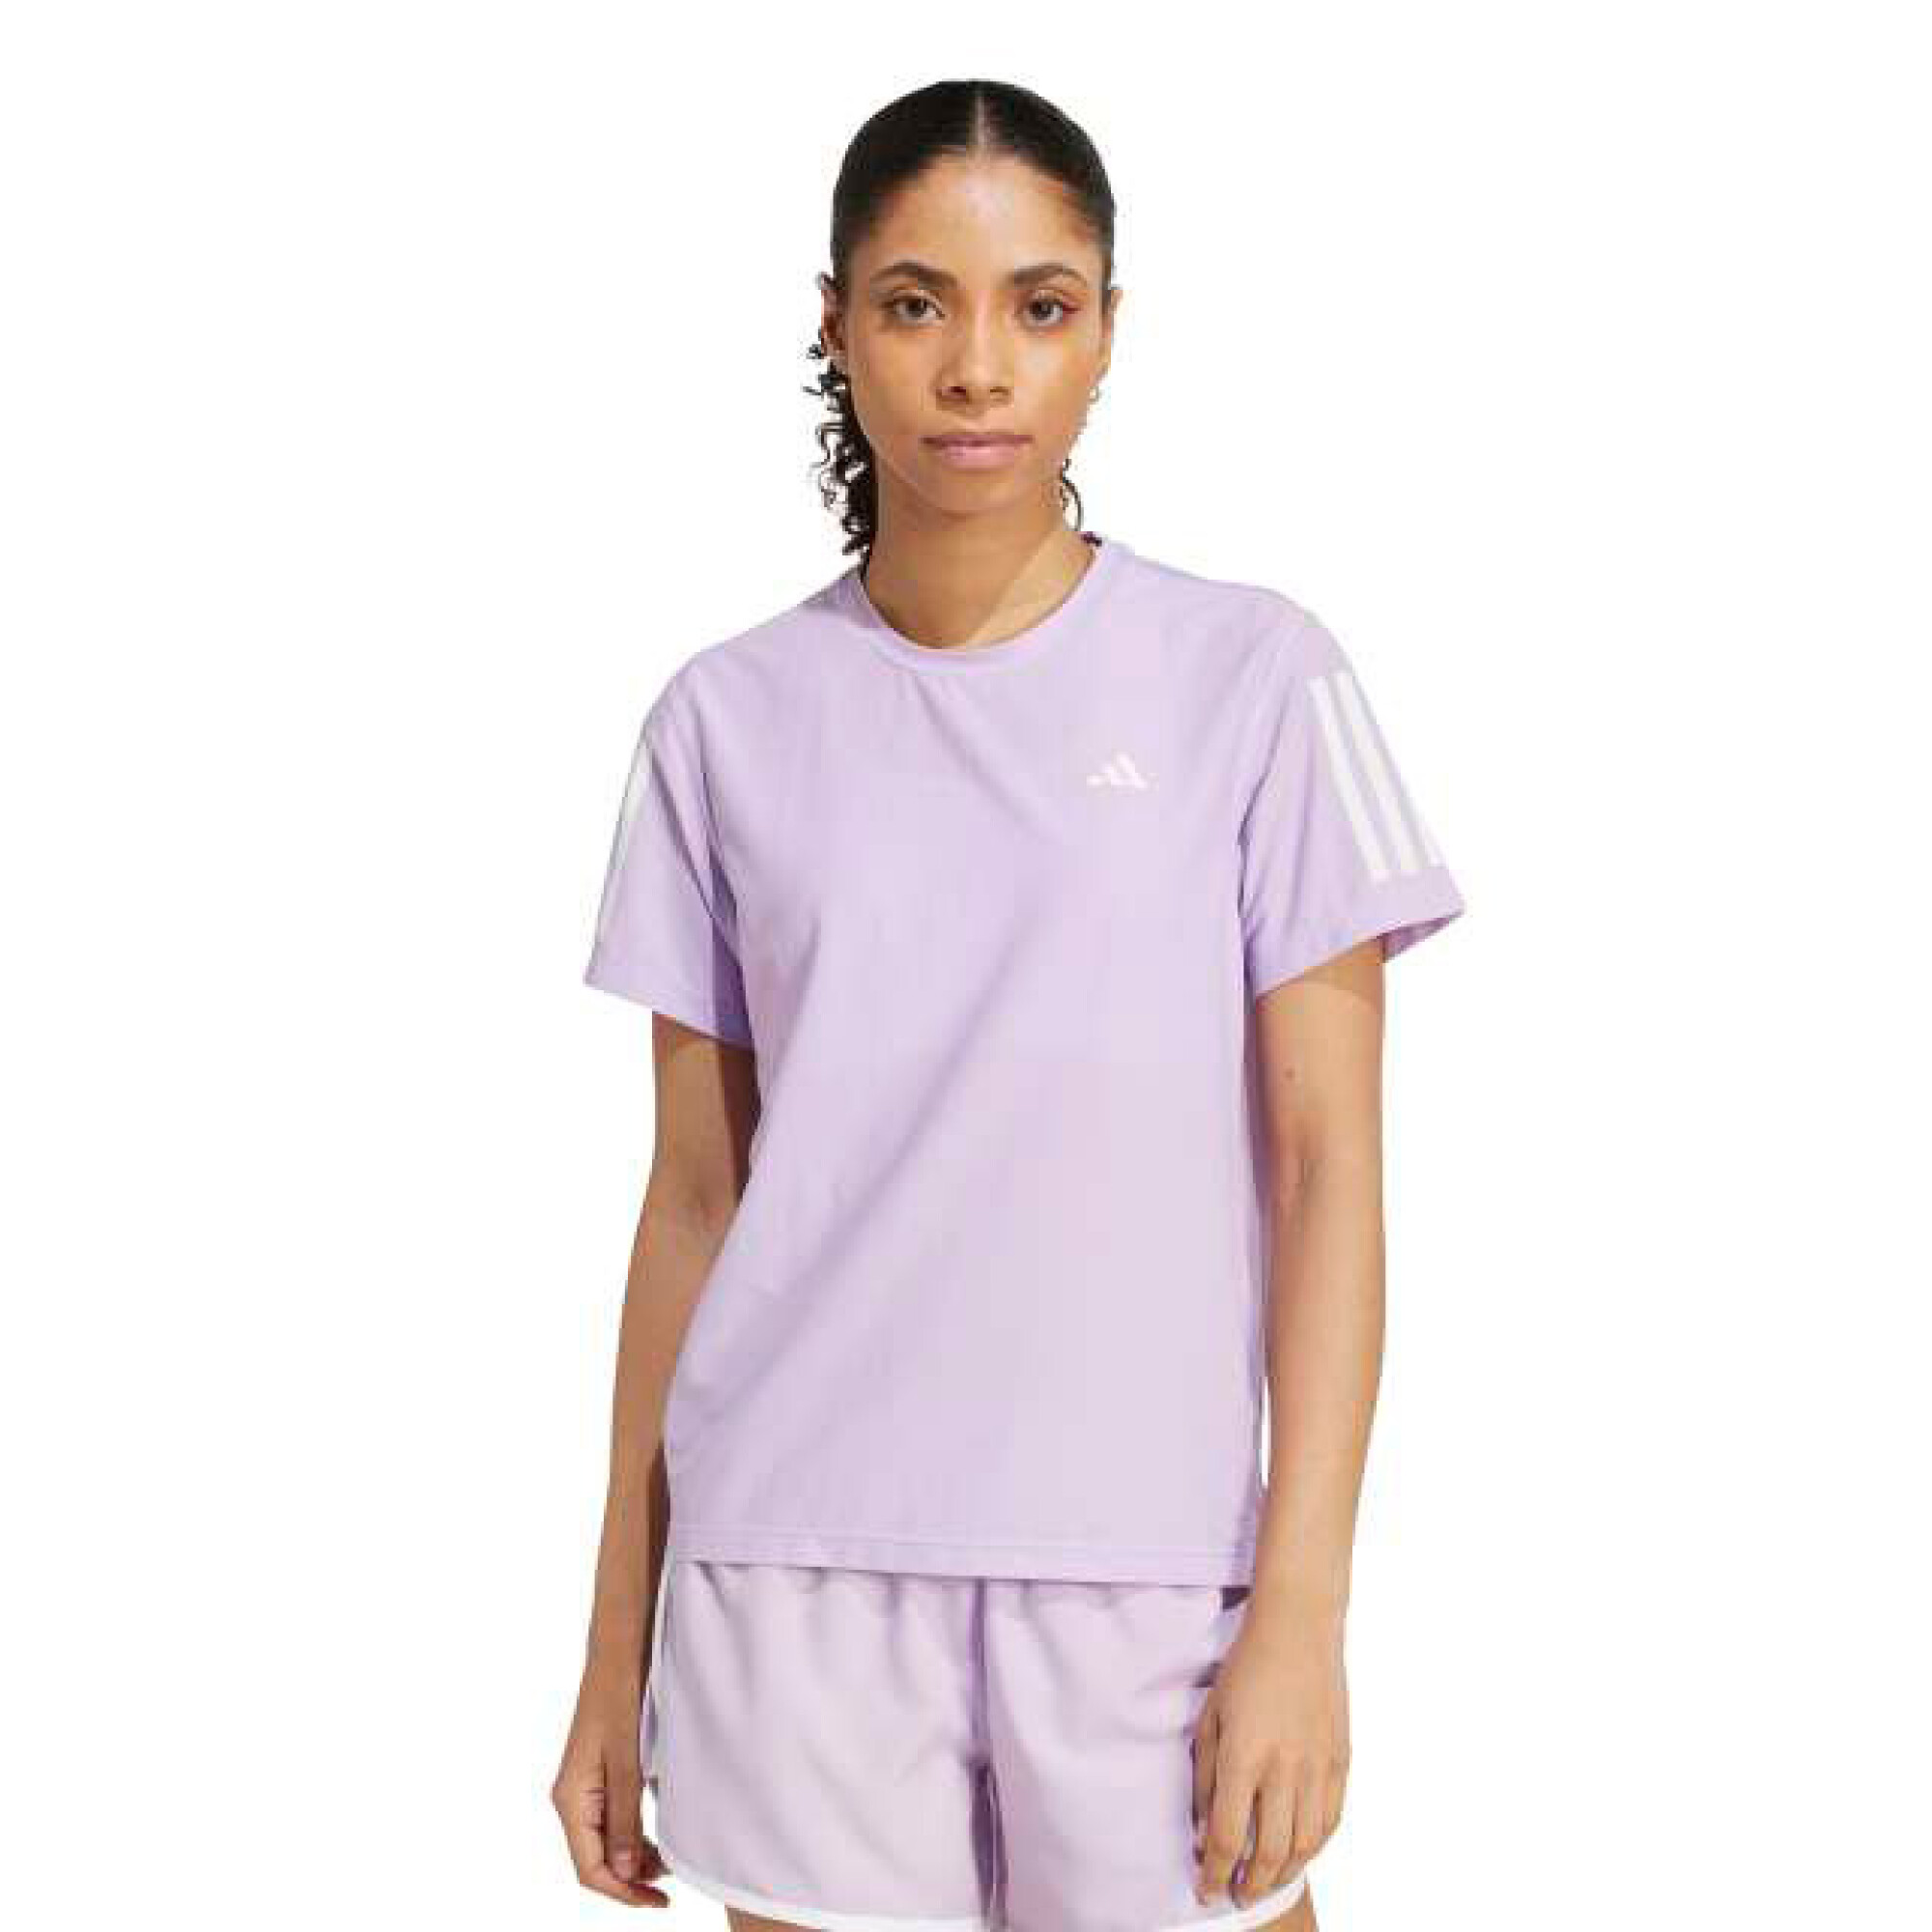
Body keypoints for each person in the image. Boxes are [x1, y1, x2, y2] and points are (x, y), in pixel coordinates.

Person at [552, 78, 1465, 1932]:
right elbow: (695, 1209)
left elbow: (1330, 1177)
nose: (978, 367)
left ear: (1107, 331)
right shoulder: (723, 721)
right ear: (836, 325)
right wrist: (607, 1653)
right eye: (917, 303)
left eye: (1039, 306)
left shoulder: (1256, 681)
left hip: (1147, 1575)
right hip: (792, 1570)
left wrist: (1302, 1611)